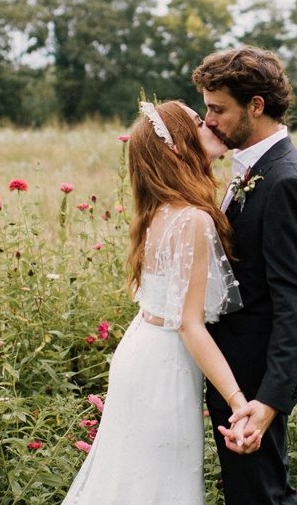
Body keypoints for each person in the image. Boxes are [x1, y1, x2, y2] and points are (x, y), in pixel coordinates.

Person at [63, 100, 255, 504]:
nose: (213, 127)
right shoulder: (193, 219)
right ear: (178, 148)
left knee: (136, 481)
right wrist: (240, 403)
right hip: (164, 365)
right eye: (200, 124)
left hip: (143, 349)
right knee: (158, 485)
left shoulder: (159, 211)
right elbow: (189, 324)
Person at [192, 46, 297, 504]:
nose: (207, 120)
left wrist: (267, 402)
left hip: (255, 373)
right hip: (238, 365)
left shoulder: (286, 180)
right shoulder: (251, 167)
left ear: (256, 105)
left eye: (218, 109)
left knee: (262, 497)